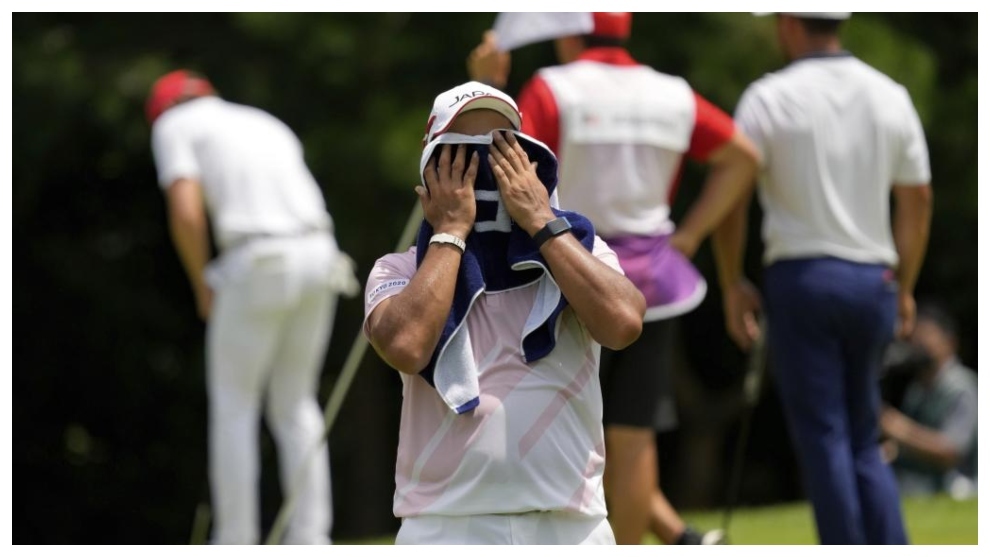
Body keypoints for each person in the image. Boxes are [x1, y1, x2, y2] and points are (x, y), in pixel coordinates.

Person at [467, 12, 759, 545]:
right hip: (653, 281)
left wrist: (488, 86)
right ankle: (674, 538)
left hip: (573, 273)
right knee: (634, 435)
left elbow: (506, 163)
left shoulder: (553, 88)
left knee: (561, 423)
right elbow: (742, 157)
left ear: (569, 32)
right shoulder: (671, 92)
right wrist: (689, 237)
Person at [362, 81, 646, 544]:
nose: (482, 170)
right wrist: (451, 230)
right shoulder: (400, 269)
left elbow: (623, 324)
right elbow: (406, 346)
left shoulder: (577, 250)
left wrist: (541, 221)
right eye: (462, 155)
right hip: (445, 528)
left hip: (571, 527)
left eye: (499, 148)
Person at [712, 13, 933, 544]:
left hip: (803, 278)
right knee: (864, 435)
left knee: (824, 436)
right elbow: (918, 199)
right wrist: (905, 286)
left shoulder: (768, 97)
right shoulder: (890, 95)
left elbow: (731, 197)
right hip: (873, 280)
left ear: (789, 23)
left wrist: (731, 280)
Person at [147, 70, 359, 544]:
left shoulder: (172, 126)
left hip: (257, 258)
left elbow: (185, 210)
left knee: (234, 405)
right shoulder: (263, 121)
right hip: (320, 255)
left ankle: (235, 542)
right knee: (296, 403)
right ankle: (311, 540)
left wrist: (202, 281)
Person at [881, 302, 977, 498]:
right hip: (916, 485)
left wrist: (898, 429)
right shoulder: (917, 388)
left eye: (927, 334)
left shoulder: (962, 385)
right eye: (916, 336)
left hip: (959, 486)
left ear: (950, 342)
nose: (919, 343)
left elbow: (951, 452)